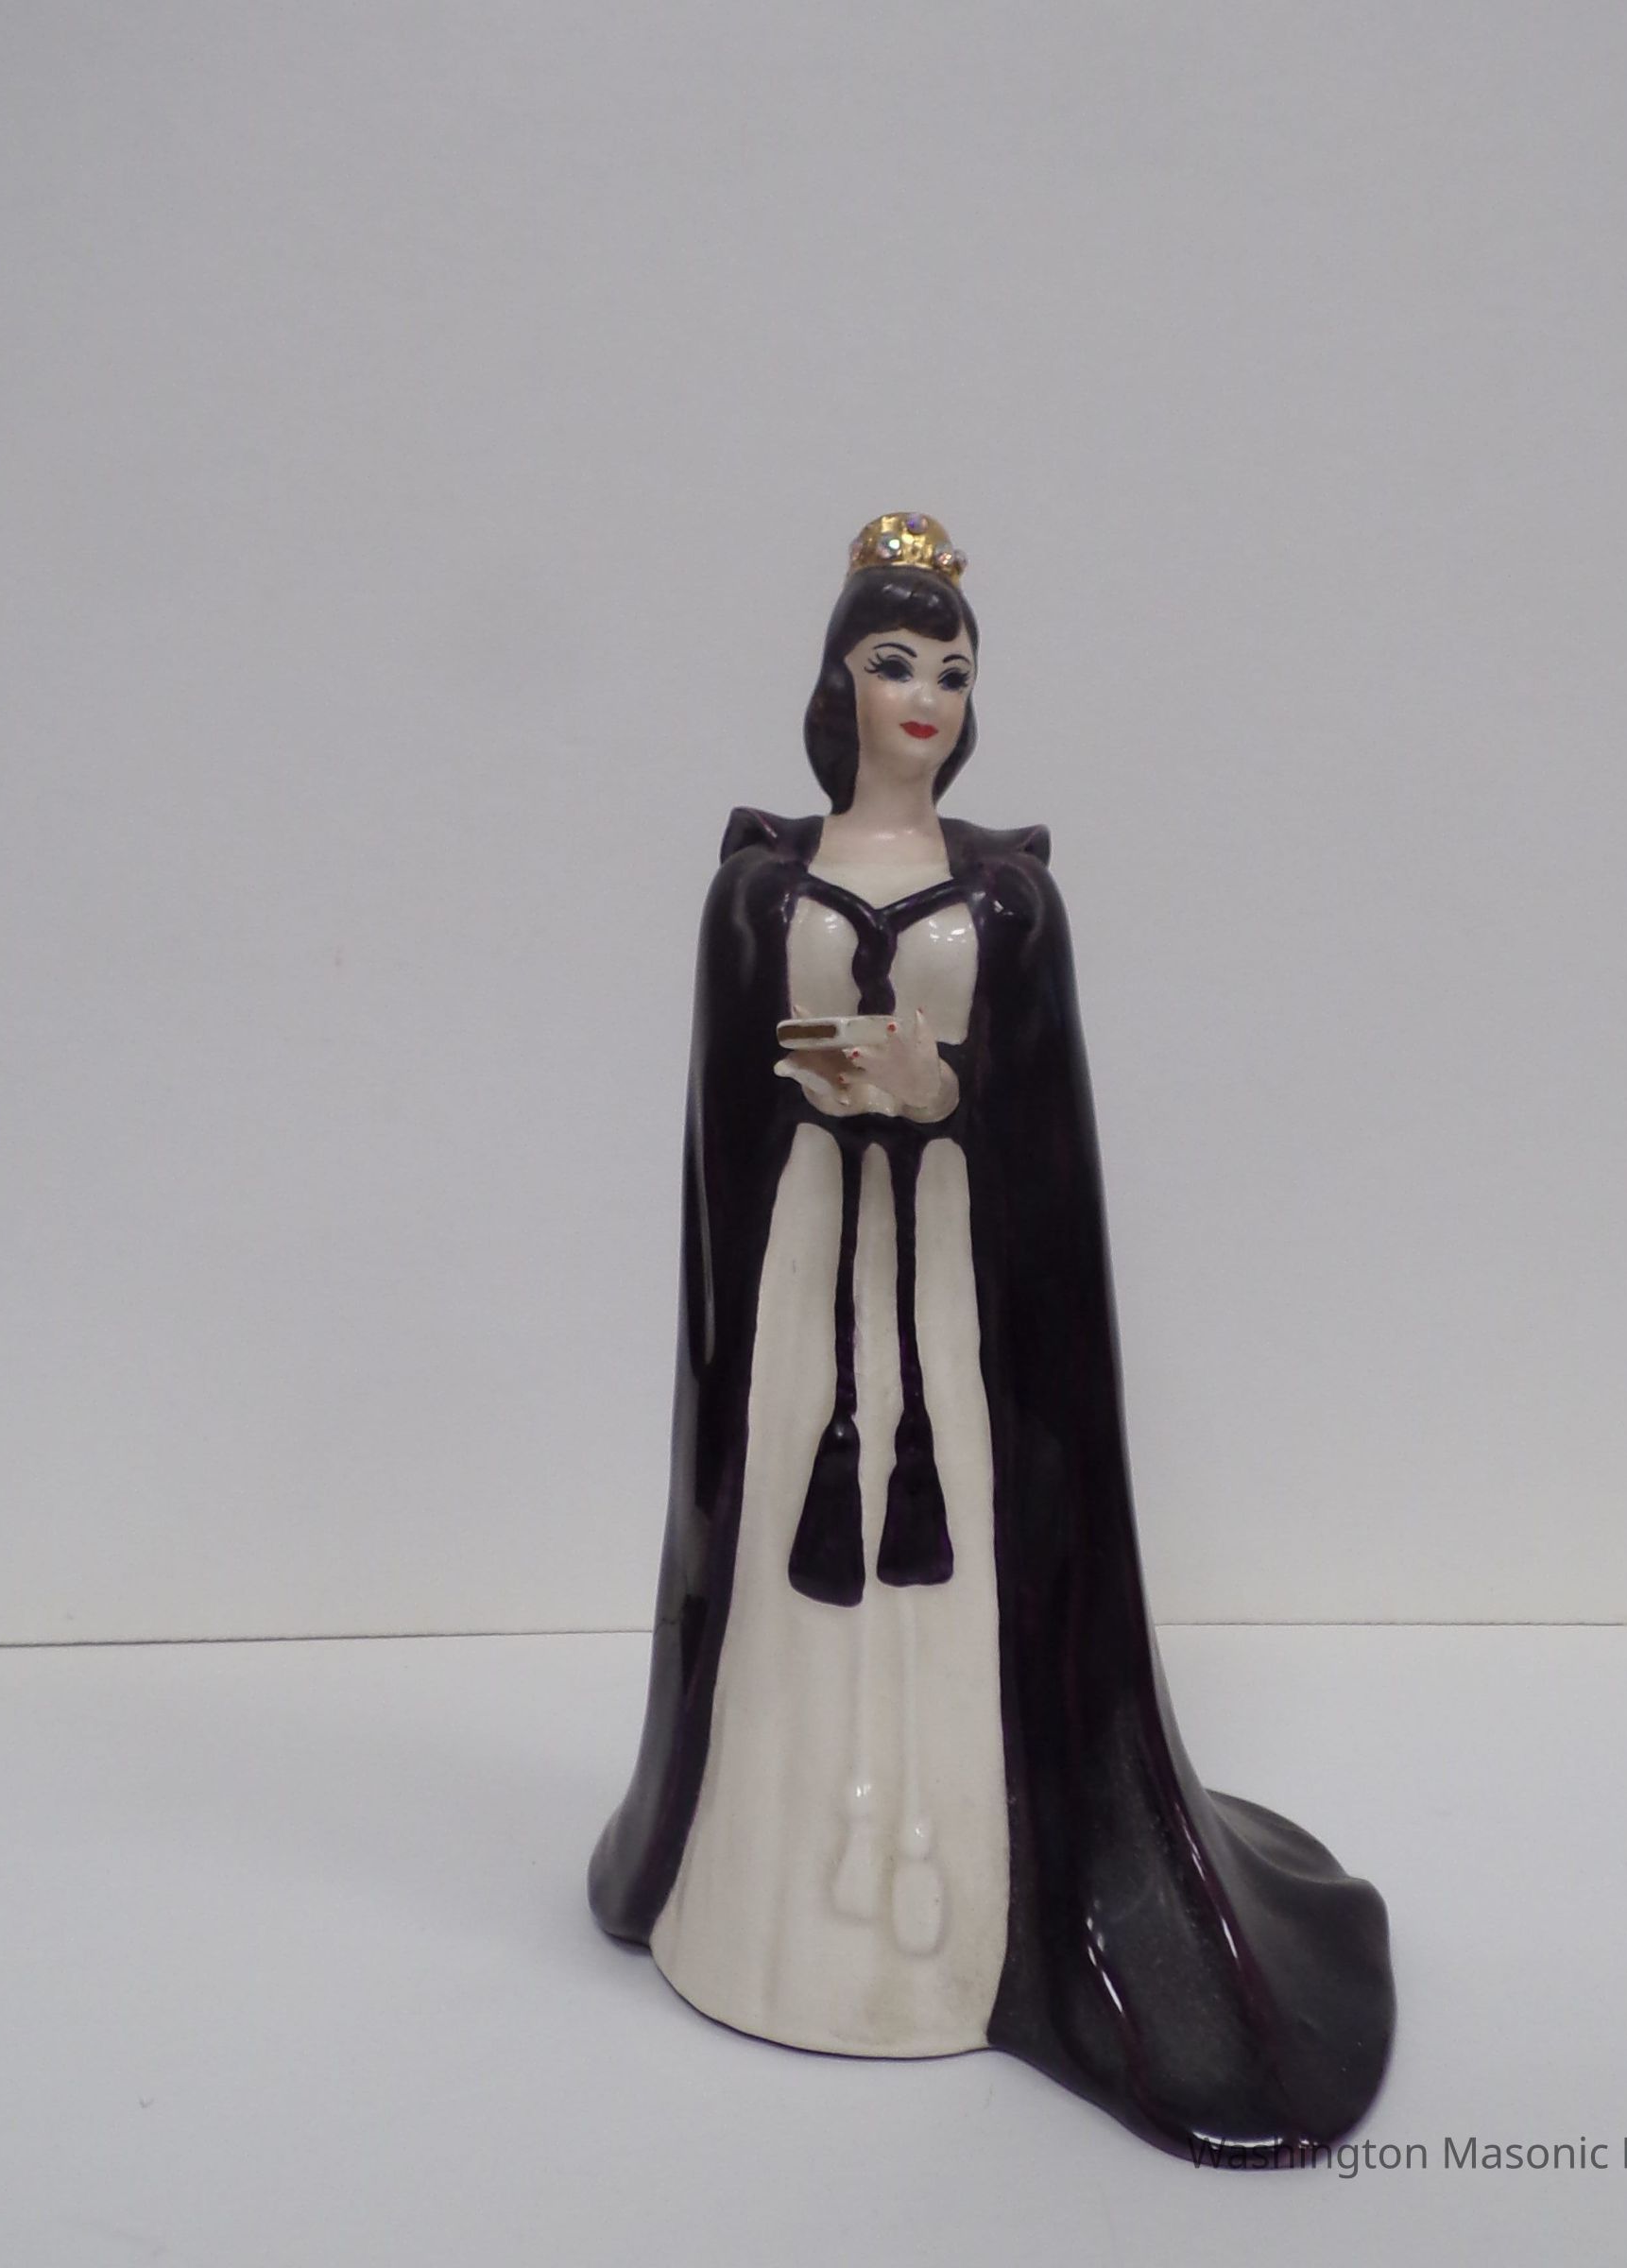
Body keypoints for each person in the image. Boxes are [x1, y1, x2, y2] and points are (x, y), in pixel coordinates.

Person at [590, 513, 1396, 2158]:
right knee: (796, 1577)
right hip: (804, 1305)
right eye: (896, 661)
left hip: (955, 1306)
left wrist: (941, 1088)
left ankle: (957, 1918)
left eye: (954, 670)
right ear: (837, 682)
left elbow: (1047, 1135)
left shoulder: (1012, 905)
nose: (927, 696)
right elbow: (720, 1128)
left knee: (953, 1589)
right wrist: (815, 1094)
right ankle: (772, 1905)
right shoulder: (755, 889)